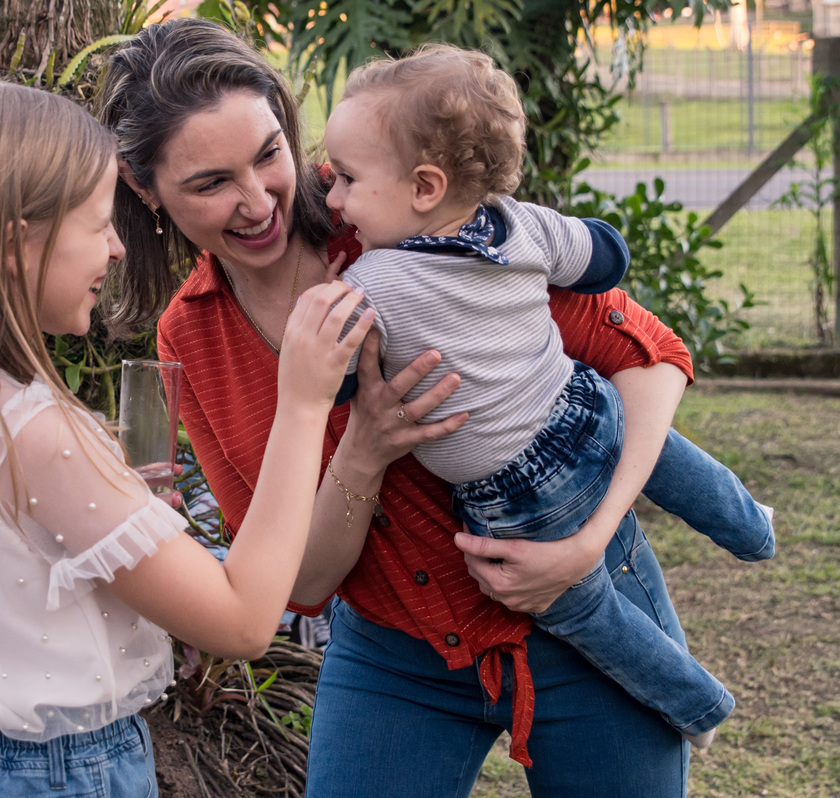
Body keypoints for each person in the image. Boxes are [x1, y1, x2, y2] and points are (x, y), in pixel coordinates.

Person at [99, 17, 751, 797]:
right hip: (395, 655)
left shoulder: (394, 200)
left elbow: (651, 357)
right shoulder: (193, 336)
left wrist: (589, 542)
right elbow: (296, 584)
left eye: (269, 154)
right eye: (209, 183)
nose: (258, 201)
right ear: (145, 190)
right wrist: (363, 449)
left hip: (582, 601)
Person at [0, 81, 372, 797]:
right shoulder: (36, 434)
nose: (117, 248)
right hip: (56, 774)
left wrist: (122, 511)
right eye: (96, 224)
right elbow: (241, 622)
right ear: (16, 243)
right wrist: (303, 400)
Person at [322, 43, 776, 749]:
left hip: (519, 498)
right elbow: (602, 256)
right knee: (668, 458)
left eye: (347, 179)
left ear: (423, 186)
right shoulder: (517, 222)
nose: (333, 199)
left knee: (588, 611)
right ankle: (752, 526)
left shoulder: (373, 282)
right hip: (585, 408)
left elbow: (335, 375)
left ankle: (696, 703)